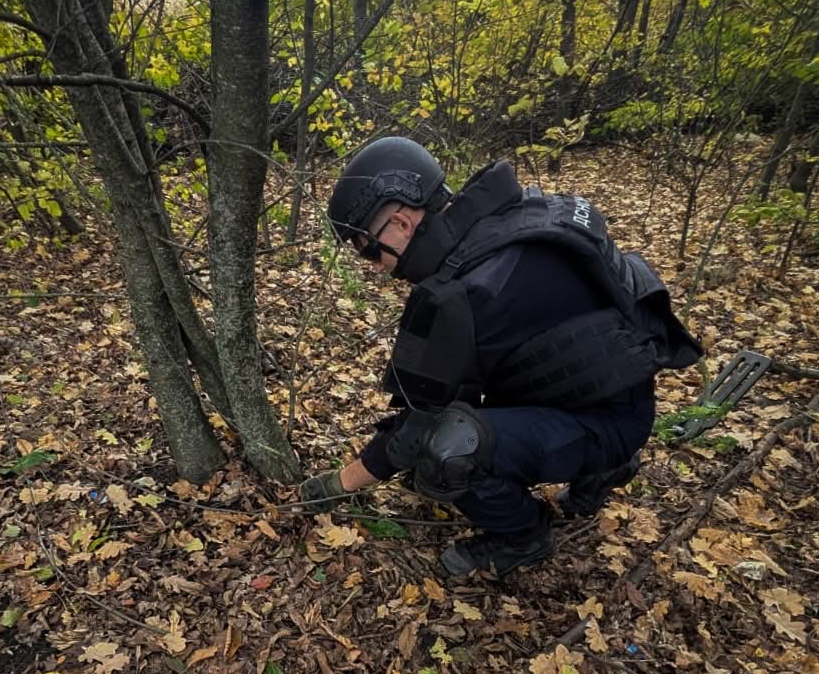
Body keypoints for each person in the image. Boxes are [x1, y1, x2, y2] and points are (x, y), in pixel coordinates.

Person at [299, 137, 703, 578]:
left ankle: (524, 537)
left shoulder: (458, 296)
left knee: (446, 452)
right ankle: (605, 464)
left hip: (603, 422)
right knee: (444, 444)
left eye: (369, 248)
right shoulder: (524, 213)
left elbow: (416, 430)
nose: (373, 265)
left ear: (400, 221)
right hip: (622, 397)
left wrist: (337, 484)